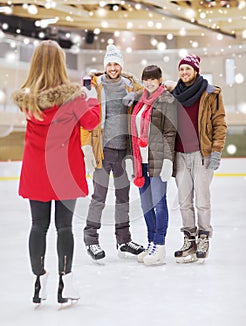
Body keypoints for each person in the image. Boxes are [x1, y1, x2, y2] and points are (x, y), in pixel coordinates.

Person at [12, 40, 100, 304]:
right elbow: (92, 122)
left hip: (37, 171)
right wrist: (92, 98)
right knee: (64, 228)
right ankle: (66, 283)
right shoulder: (73, 99)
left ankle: (39, 280)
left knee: (38, 226)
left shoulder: (28, 102)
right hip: (64, 172)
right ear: (61, 64)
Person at [81, 44, 145, 261]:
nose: (112, 67)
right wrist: (87, 147)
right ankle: (91, 240)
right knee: (99, 197)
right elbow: (83, 107)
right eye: (109, 63)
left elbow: (148, 90)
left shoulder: (129, 85)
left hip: (123, 150)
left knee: (123, 197)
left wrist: (135, 94)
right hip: (103, 150)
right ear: (105, 65)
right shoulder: (96, 85)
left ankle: (124, 240)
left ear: (121, 65)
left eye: (116, 63)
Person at [172, 54, 227, 263]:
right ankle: (189, 239)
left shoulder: (210, 93)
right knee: (184, 201)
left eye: (188, 69)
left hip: (201, 154)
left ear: (196, 70)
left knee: (202, 200)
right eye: (181, 69)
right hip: (180, 154)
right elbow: (150, 88)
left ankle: (204, 237)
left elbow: (219, 123)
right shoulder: (174, 93)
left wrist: (216, 151)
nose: (184, 73)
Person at [131, 65, 177, 266]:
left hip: (157, 159)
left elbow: (170, 132)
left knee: (159, 204)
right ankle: (151, 242)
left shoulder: (167, 100)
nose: (149, 83)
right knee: (145, 205)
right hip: (140, 161)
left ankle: (160, 245)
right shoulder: (140, 101)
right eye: (145, 79)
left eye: (152, 79)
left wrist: (167, 159)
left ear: (160, 80)